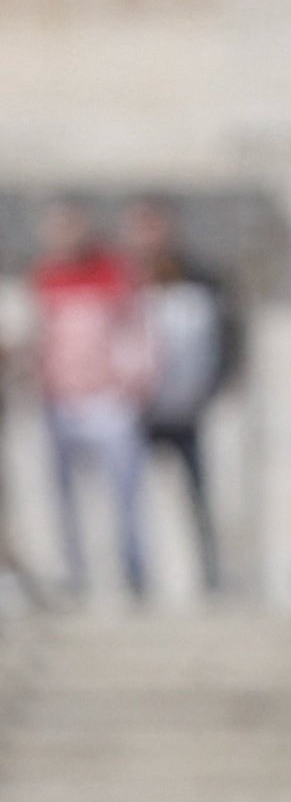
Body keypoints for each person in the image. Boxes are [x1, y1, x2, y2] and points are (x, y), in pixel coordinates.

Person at [30, 198, 151, 603]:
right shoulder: (45, 277)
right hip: (62, 400)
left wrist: (131, 383)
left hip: (109, 400)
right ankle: (74, 572)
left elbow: (138, 331)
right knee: (65, 495)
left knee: (124, 494)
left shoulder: (113, 273)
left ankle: (133, 571)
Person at [124, 196, 234, 595]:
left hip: (189, 411)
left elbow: (227, 336)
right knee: (134, 501)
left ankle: (208, 578)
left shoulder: (201, 279)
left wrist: (217, 386)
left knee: (198, 499)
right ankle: (137, 580)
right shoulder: (123, 280)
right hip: (138, 412)